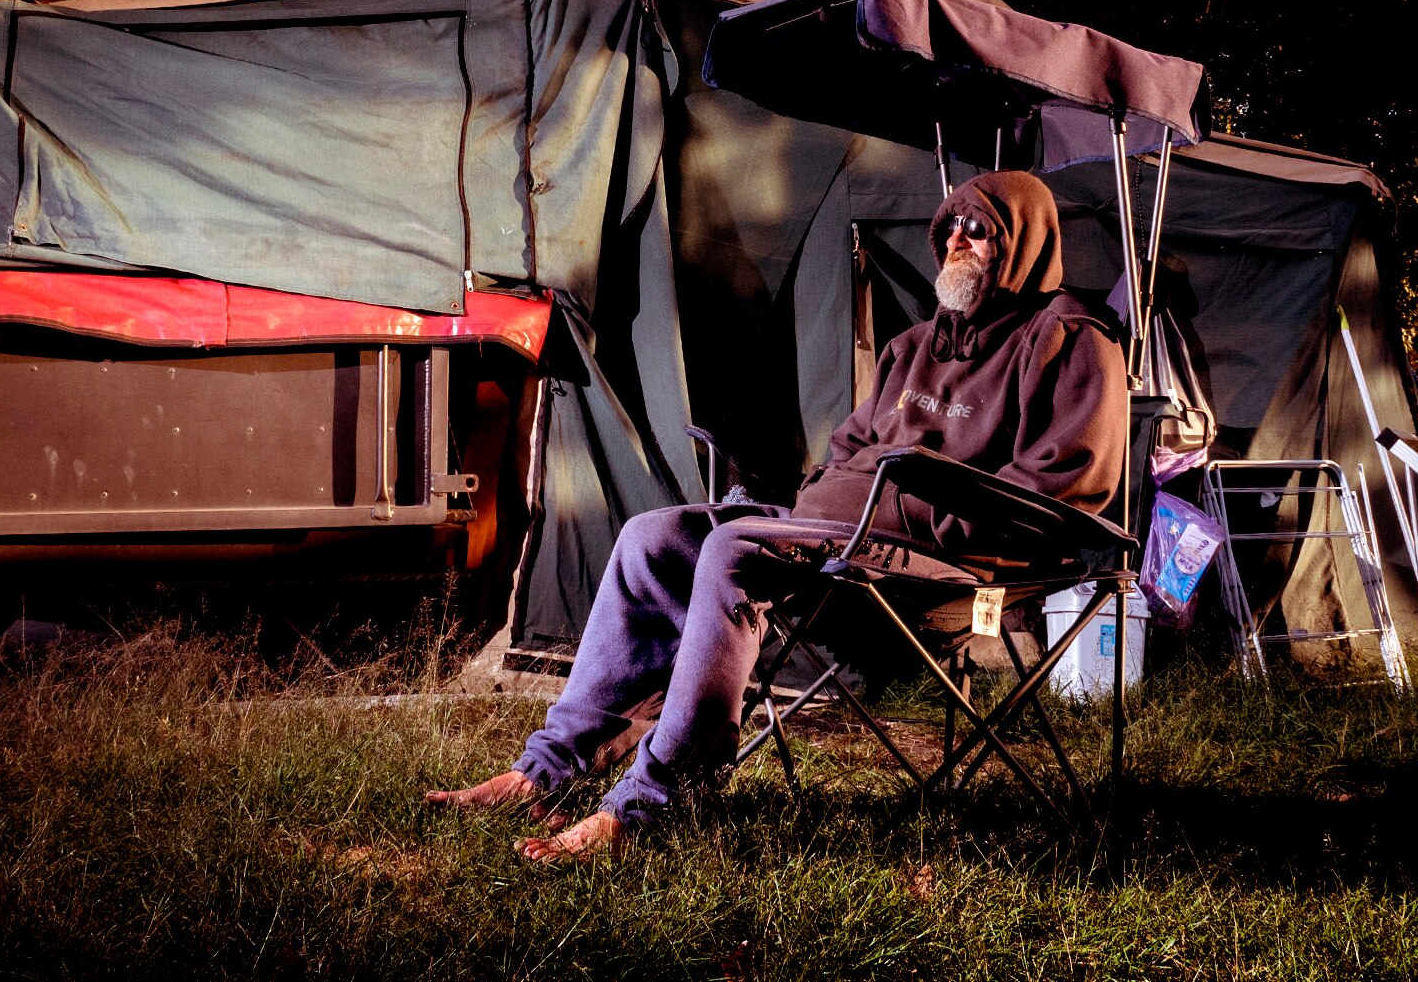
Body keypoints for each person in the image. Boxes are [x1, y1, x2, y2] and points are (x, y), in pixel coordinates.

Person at [427, 170, 1128, 860]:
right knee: (655, 537)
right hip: (834, 537)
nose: (959, 242)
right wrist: (821, 498)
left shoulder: (1068, 342)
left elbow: (1057, 489)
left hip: (941, 566)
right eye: (951, 228)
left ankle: (656, 805)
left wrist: (920, 512)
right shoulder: (914, 348)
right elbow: (850, 448)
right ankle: (543, 772)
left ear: (1029, 243)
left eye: (981, 230)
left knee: (734, 552)